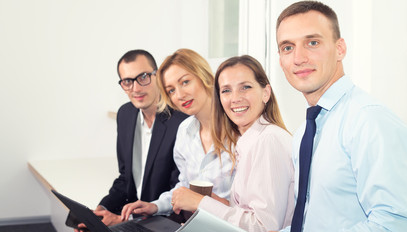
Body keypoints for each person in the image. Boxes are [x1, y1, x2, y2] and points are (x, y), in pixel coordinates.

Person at [276, 1, 407, 231]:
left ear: (340, 49)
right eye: (287, 47)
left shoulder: (369, 121)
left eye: (312, 42)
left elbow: (395, 226)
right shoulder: (304, 132)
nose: (298, 57)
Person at [171, 55, 294, 232]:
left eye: (245, 87)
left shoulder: (269, 140)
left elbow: (264, 226)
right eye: (226, 90)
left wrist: (200, 202)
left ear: (265, 93)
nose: (235, 98)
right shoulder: (248, 141)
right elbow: (245, 212)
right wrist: (214, 201)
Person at [76, 50, 188, 231]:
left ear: (157, 75)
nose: (136, 88)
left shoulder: (181, 121)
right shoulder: (126, 114)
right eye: (127, 81)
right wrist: (101, 209)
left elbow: (179, 192)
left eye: (143, 77)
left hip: (165, 220)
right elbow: (125, 178)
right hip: (132, 216)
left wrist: (123, 219)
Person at [119, 48, 234, 220]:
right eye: (171, 90)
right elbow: (184, 187)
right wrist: (155, 206)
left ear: (205, 77)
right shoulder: (185, 130)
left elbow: (249, 212)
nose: (179, 95)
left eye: (185, 82)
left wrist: (201, 202)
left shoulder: (238, 131)